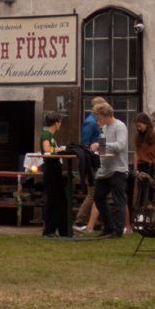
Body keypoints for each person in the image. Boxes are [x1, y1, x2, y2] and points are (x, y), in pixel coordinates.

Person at [89, 102, 129, 238]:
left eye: (100, 118)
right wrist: (97, 149)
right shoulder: (105, 128)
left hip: (118, 169)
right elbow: (104, 146)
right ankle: (108, 227)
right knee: (98, 197)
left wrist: (102, 145)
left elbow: (120, 145)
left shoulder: (120, 126)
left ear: (107, 115)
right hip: (105, 168)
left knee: (118, 200)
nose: (99, 121)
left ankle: (118, 231)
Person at [73, 98, 104, 232]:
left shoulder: (96, 121)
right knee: (93, 192)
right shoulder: (91, 122)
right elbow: (85, 142)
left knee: (97, 192)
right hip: (92, 161)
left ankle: (95, 220)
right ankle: (81, 219)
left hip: (96, 160)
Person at [40, 112, 68, 237]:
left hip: (54, 168)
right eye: (60, 122)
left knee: (55, 200)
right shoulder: (47, 134)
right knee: (55, 200)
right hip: (51, 168)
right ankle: (52, 230)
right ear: (56, 123)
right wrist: (60, 149)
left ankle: (53, 230)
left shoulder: (50, 135)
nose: (60, 125)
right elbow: (47, 149)